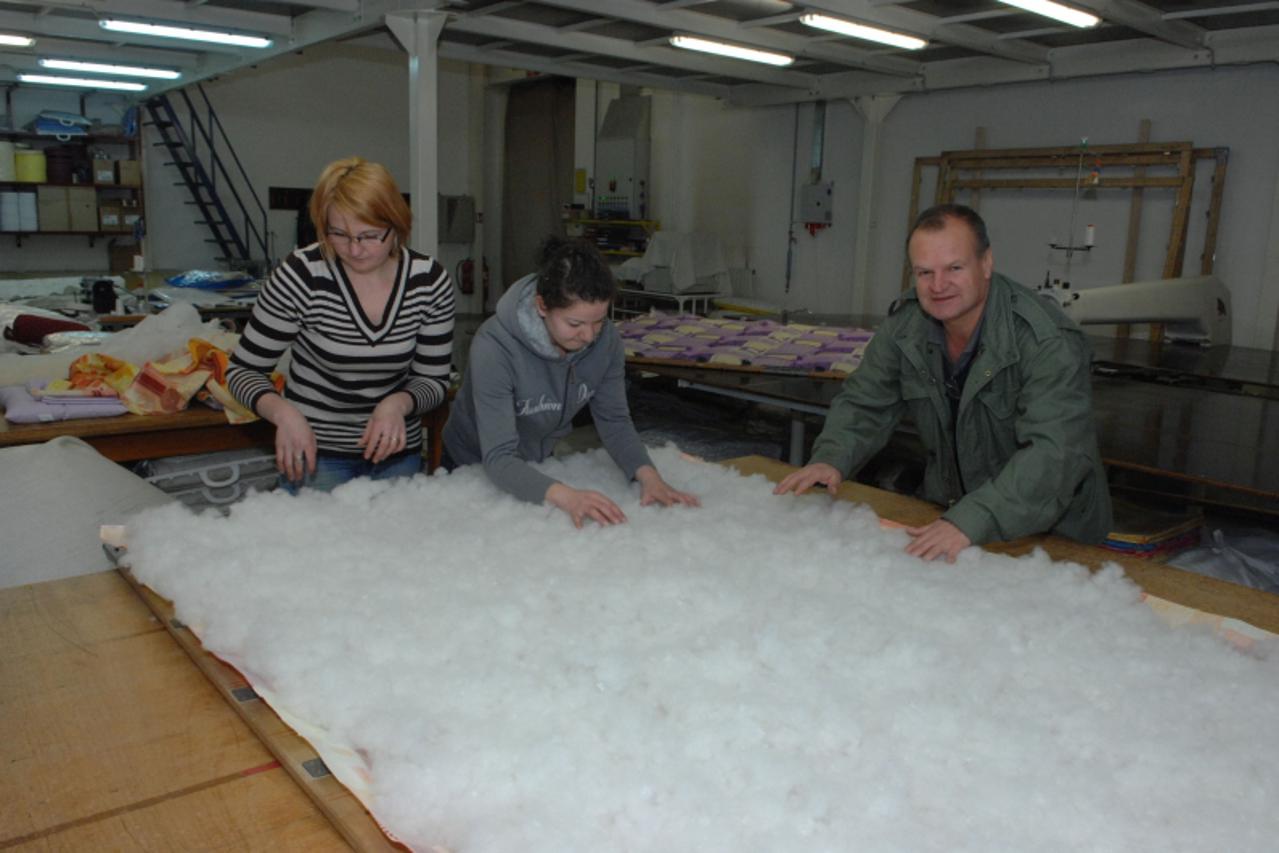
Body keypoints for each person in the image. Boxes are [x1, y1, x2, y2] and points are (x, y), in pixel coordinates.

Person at [774, 203, 1112, 561]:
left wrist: (971, 520)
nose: (938, 286)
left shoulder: (1047, 342)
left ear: (986, 263)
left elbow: (1055, 455)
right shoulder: (907, 326)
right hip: (953, 518)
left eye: (954, 268)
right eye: (924, 272)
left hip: (1052, 535)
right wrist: (831, 458)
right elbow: (866, 402)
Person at [227, 157, 454, 492]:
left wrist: (398, 403)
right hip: (316, 454)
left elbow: (433, 380)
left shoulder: (428, 281)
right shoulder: (302, 275)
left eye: (370, 235)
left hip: (395, 453)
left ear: (396, 225)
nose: (355, 249)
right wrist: (283, 414)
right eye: (339, 234)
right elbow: (242, 371)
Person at [443, 236, 698, 527]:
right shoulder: (494, 347)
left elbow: (614, 420)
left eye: (599, 321)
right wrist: (568, 497)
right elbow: (499, 458)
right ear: (542, 305)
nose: (589, 336)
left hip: (536, 461)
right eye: (575, 324)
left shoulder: (607, 342)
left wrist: (648, 476)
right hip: (472, 466)